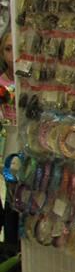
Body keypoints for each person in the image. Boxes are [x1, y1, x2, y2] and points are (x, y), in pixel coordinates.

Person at [0, 26, 18, 256]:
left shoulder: (30, 83)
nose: (12, 55)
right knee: (11, 199)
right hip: (8, 147)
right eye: (7, 49)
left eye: (15, 49)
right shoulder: (1, 84)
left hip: (30, 144)